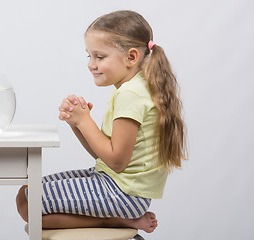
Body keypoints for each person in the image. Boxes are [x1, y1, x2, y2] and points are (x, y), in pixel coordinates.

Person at [16, 10, 187, 233]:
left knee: (30, 207)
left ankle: (119, 221)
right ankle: (121, 218)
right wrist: (76, 123)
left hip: (122, 194)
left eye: (100, 56)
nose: (91, 64)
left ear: (131, 57)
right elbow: (103, 155)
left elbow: (117, 162)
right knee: (26, 193)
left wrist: (85, 120)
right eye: (89, 56)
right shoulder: (135, 89)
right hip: (112, 183)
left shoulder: (131, 95)